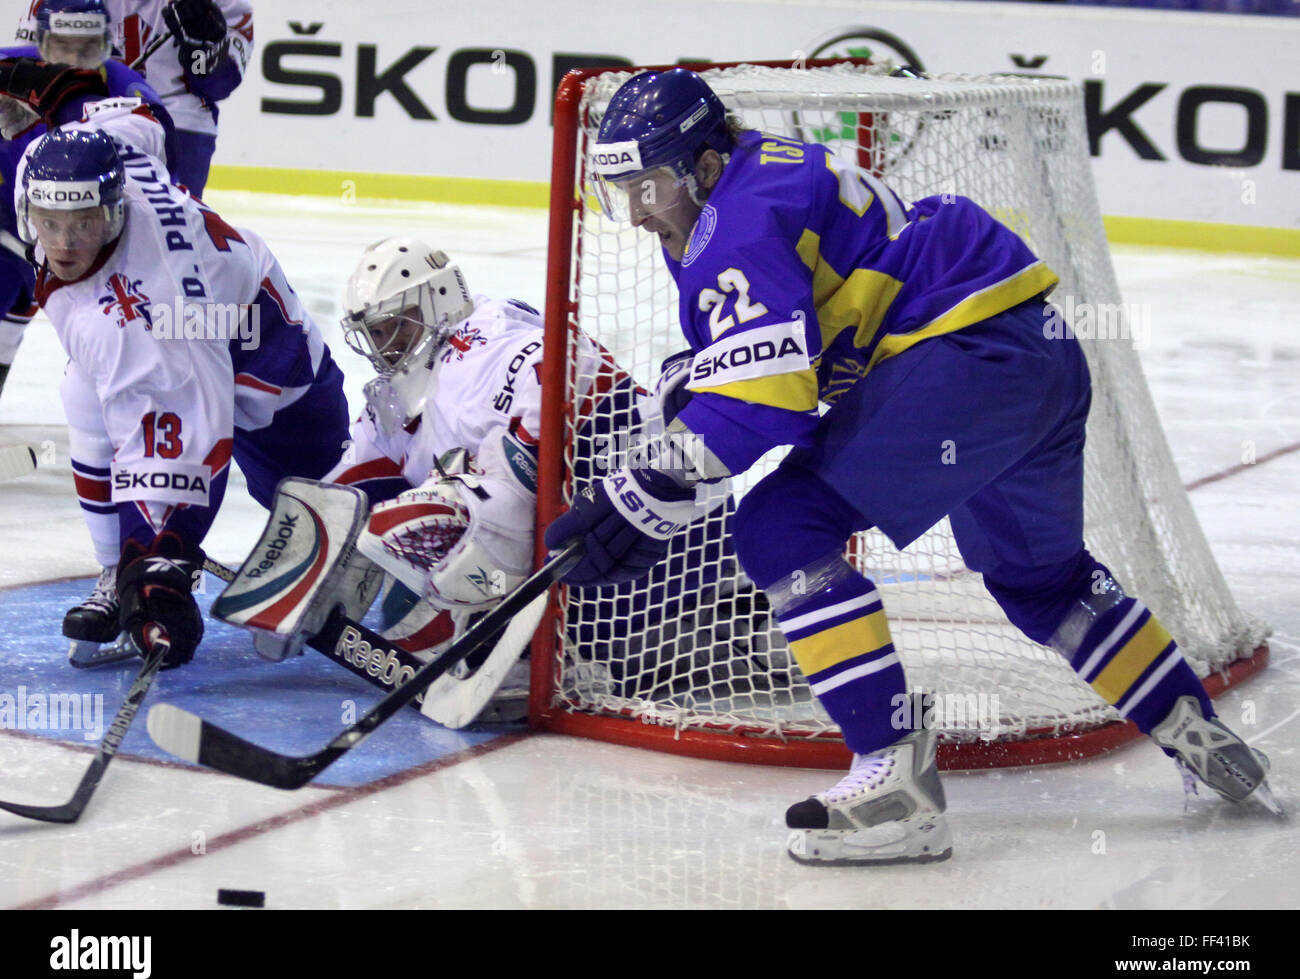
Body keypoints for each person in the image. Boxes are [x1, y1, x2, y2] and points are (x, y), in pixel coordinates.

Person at [543, 68, 1278, 866]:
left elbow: (764, 407)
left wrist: (635, 498)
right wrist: (679, 449)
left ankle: (896, 783)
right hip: (1035, 355)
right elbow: (785, 357)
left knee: (782, 527)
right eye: (624, 193)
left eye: (650, 186)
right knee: (1046, 583)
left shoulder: (734, 224)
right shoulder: (757, 181)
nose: (641, 211)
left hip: (967, 359)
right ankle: (1195, 730)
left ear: (705, 166)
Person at [322, 237, 732, 721]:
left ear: (439, 301)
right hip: (631, 543)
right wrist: (305, 562)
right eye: (377, 334)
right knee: (395, 558)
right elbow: (342, 488)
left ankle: (549, 653)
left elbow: (570, 373)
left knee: (437, 517)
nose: (387, 348)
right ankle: (602, 636)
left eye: (397, 328)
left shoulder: (482, 345)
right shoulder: (406, 388)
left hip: (668, 534)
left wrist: (500, 470)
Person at [10, 89, 349, 669]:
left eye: (84, 224)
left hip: (275, 381)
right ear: (28, 208)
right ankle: (112, 568)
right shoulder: (98, 159)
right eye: (50, 223)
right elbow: (142, 116)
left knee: (334, 529)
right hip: (199, 340)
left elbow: (188, 451)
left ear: (114, 210)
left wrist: (162, 566)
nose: (65, 244)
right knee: (82, 387)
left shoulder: (152, 322)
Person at [0, 12, 179, 398]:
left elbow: (158, 145)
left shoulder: (120, 84)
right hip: (15, 221)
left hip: (70, 233)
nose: (74, 56)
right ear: (40, 40)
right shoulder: (11, 68)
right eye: (62, 45)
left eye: (87, 46)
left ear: (105, 43)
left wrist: (69, 106)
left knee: (100, 334)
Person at [16, 0, 253, 197]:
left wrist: (203, 48)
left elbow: (216, 85)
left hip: (177, 126)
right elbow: (27, 71)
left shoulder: (224, 3)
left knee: (165, 232)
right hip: (78, 113)